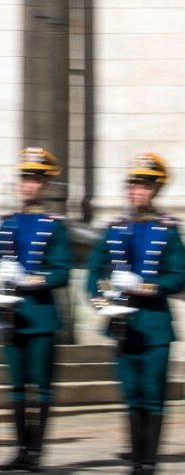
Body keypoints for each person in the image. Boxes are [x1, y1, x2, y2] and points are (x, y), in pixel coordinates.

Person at [86, 153, 185, 475]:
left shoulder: (167, 230)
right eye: (133, 185)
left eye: (143, 186)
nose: (137, 191)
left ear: (154, 191)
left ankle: (148, 463)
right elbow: (93, 269)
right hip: (122, 324)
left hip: (154, 325)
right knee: (131, 394)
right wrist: (97, 298)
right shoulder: (114, 228)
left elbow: (179, 275)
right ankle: (136, 463)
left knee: (153, 395)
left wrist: (147, 286)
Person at [0, 147, 71, 472]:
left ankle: (36, 453)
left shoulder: (54, 225)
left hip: (40, 315)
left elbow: (61, 272)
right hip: (10, 314)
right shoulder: (7, 223)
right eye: (25, 178)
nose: (28, 185)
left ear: (44, 186)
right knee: (16, 385)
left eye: (35, 180)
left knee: (41, 385)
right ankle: (20, 449)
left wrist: (31, 280)